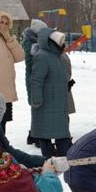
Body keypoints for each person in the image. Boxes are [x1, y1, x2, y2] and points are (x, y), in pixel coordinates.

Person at [30, 29, 72, 157]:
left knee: (62, 131)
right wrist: (36, 100)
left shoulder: (57, 55)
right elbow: (36, 80)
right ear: (52, 42)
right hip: (46, 102)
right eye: (61, 41)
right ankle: (48, 157)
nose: (63, 44)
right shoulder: (42, 56)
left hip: (58, 100)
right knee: (45, 132)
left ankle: (63, 153)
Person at [22, 19, 48, 146]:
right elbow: (31, 63)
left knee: (38, 107)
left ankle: (34, 134)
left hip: (35, 78)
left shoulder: (34, 42)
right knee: (37, 107)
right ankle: (35, 136)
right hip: (33, 79)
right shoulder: (30, 43)